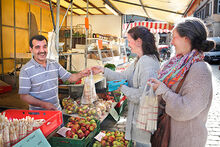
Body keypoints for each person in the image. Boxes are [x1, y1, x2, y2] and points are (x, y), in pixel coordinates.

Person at [149, 17, 215, 147]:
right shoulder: (178, 64)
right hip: (170, 135)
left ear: (187, 39)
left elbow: (186, 109)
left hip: (186, 140)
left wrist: (163, 91)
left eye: (174, 37)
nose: (172, 42)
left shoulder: (200, 69)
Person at [92, 26, 160, 147]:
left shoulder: (147, 62)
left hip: (144, 123)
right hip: (139, 121)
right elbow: (123, 76)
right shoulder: (139, 60)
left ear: (139, 41)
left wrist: (122, 88)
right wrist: (103, 70)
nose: (128, 45)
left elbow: (144, 95)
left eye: (129, 41)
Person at [19, 35, 90, 111]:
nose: (42, 50)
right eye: (37, 47)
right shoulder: (25, 70)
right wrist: (43, 104)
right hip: (38, 116)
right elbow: (24, 96)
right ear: (31, 49)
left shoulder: (54, 64)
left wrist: (83, 73)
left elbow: (70, 78)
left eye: (45, 46)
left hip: (56, 111)